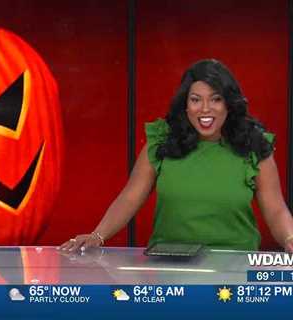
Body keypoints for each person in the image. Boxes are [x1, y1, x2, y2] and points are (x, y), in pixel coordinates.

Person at [60, 59, 293, 253]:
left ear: (228, 104)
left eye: (215, 99)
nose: (204, 109)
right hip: (170, 261)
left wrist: (290, 239)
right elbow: (130, 197)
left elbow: (275, 209)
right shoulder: (163, 140)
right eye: (195, 100)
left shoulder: (253, 146)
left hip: (233, 265)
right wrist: (98, 235)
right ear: (185, 105)